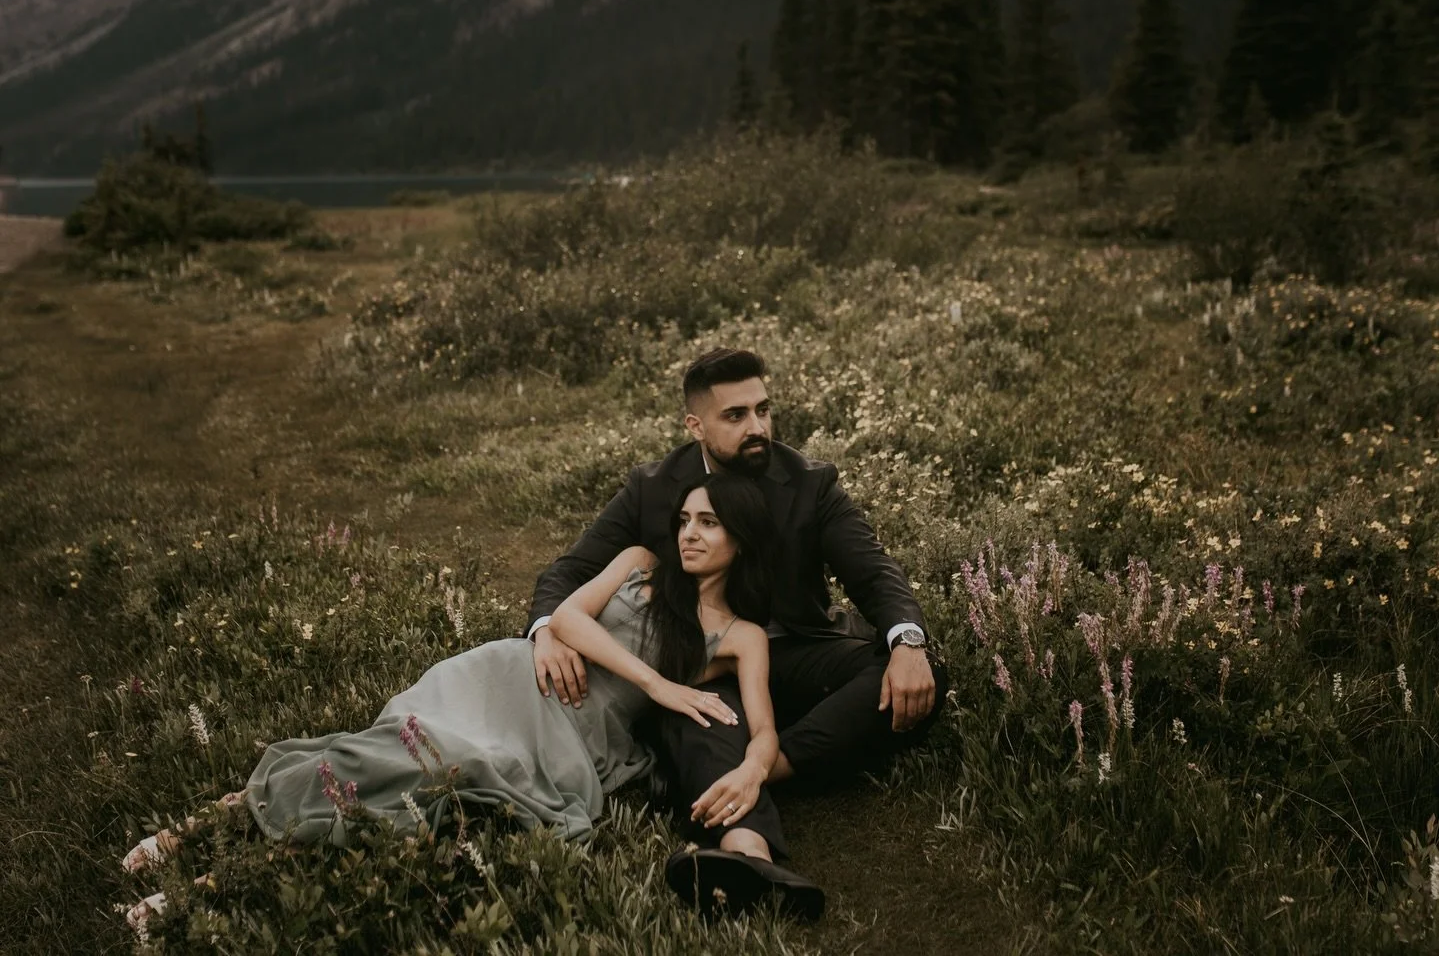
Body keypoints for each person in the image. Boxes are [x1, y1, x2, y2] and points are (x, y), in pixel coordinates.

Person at [121, 473, 823, 930]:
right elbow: (570, 618)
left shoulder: (740, 635)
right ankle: (187, 833)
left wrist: (752, 769)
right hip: (504, 679)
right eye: (686, 519)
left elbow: (761, 729)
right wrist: (657, 683)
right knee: (380, 751)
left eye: (710, 523)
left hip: (568, 736)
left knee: (423, 788)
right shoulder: (641, 563)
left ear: (741, 540)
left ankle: (205, 892)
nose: (690, 533)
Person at [526, 347, 948, 912]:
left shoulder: (811, 483)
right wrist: (548, 629)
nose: (758, 427)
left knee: (915, 672)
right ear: (695, 425)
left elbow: (874, 574)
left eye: (763, 410)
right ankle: (749, 855)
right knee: (701, 713)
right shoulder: (653, 488)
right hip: (703, 661)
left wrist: (909, 641)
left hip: (793, 651)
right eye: (736, 415)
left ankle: (761, 771)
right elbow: (571, 570)